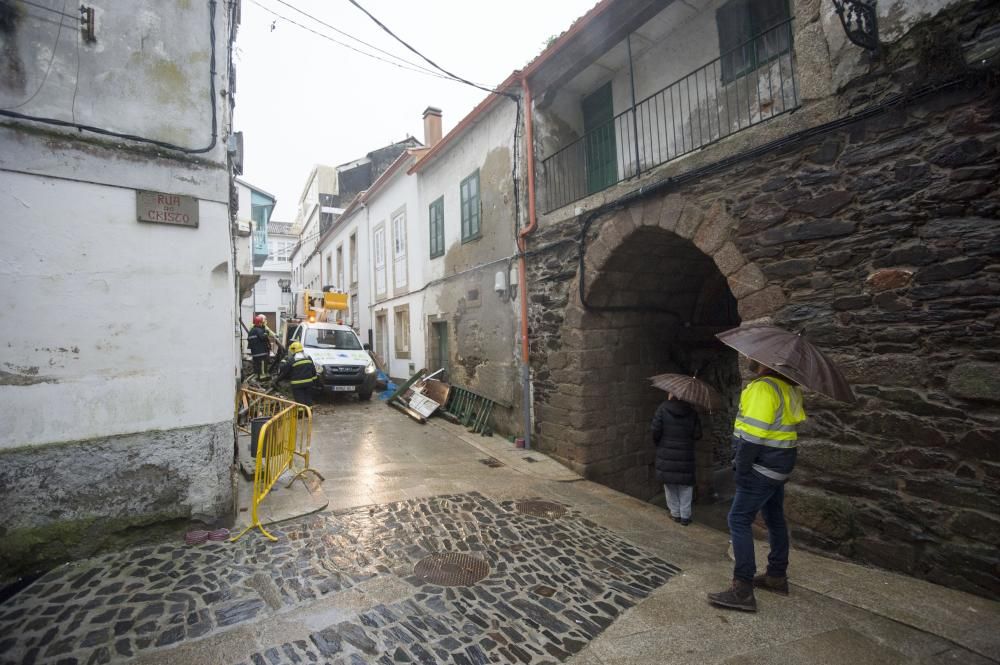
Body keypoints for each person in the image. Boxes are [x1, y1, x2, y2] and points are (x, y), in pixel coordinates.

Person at [708, 358, 806, 612]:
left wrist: (741, 469)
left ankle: (742, 589)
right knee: (774, 519)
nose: (752, 361)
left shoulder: (764, 388)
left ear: (766, 362)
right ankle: (776, 575)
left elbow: (752, 436)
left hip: (761, 468)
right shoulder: (789, 388)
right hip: (778, 468)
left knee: (738, 519)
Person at [650, 392, 702, 526]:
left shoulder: (662, 408)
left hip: (666, 452)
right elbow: (697, 434)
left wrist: (660, 444)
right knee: (685, 486)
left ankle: (675, 513)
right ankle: (685, 516)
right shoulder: (692, 412)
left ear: (672, 394)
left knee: (669, 483)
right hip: (685, 454)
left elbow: (655, 430)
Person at [273, 341, 317, 406]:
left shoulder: (292, 360)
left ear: (293, 350)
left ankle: (300, 414)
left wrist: (277, 380)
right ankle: (309, 413)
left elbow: (284, 372)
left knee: (300, 402)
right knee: (308, 400)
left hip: (297, 385)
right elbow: (313, 370)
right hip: (309, 384)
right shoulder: (308, 357)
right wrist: (314, 381)